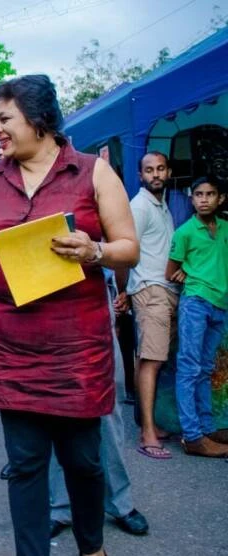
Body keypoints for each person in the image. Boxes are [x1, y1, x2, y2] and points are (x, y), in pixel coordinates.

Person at [0, 74, 139, 556]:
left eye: (5, 119)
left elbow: (128, 249)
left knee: (83, 460)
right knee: (26, 466)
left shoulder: (92, 172)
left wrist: (95, 250)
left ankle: (92, 548)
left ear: (39, 119)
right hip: (11, 343)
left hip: (75, 345)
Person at [51, 278, 149, 538]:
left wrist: (124, 288)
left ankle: (119, 502)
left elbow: (127, 248)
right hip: (42, 296)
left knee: (107, 401)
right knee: (52, 404)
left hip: (93, 291)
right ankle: (60, 506)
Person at [120, 151, 179, 459]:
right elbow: (125, 249)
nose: (155, 174)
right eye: (149, 170)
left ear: (168, 171)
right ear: (140, 175)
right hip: (150, 290)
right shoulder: (140, 206)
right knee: (152, 361)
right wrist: (124, 291)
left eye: (160, 169)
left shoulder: (162, 204)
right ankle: (147, 435)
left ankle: (151, 423)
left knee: (151, 360)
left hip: (165, 288)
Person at [166, 177, 228, 456]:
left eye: (210, 194)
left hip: (221, 304)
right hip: (195, 303)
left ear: (221, 199)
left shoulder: (226, 228)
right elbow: (171, 272)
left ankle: (207, 427)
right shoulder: (185, 232)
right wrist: (188, 274)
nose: (204, 199)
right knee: (190, 367)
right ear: (192, 199)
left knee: (205, 368)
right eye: (198, 194)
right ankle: (192, 435)